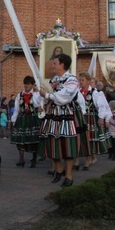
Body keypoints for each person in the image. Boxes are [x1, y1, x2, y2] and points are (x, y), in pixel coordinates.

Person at [38, 53, 84, 188]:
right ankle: (59, 169)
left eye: (55, 63)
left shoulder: (71, 80)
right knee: (52, 143)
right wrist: (44, 97)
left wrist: (47, 95)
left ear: (62, 64)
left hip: (66, 115)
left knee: (67, 144)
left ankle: (68, 175)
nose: (53, 65)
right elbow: (51, 96)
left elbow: (64, 97)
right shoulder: (55, 79)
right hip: (53, 115)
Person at [11, 75, 43, 168]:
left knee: (34, 139)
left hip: (33, 118)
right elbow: (17, 109)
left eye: (28, 84)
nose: (26, 86)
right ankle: (21, 159)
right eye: (25, 84)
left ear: (32, 85)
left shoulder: (36, 95)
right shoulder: (19, 95)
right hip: (22, 118)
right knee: (21, 139)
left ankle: (34, 159)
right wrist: (14, 120)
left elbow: (39, 105)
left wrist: (37, 92)